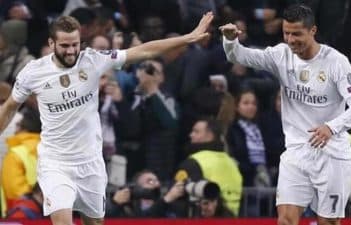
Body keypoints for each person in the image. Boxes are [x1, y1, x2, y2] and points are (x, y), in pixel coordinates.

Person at [0, 12, 213, 225]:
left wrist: (187, 37)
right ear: (51, 43)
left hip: (90, 162)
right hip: (56, 163)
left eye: (75, 44)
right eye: (64, 46)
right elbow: (10, 107)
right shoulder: (34, 72)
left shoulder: (93, 60)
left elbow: (144, 50)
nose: (71, 51)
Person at [220, 4, 351, 225]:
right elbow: (240, 56)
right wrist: (231, 41)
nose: (290, 39)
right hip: (296, 153)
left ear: (312, 31)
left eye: (297, 33)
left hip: (332, 154)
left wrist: (331, 127)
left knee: (329, 222)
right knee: (286, 220)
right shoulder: (281, 55)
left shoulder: (336, 62)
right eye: (286, 33)